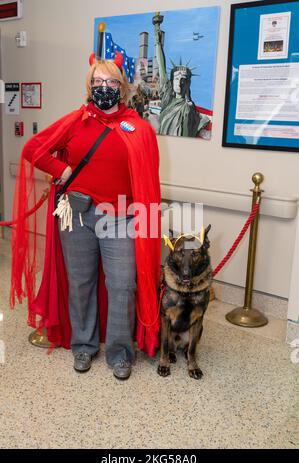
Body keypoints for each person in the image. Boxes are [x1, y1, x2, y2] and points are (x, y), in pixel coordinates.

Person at [10, 51, 161, 380]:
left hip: (121, 217)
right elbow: (33, 149)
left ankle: (120, 352)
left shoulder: (139, 129)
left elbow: (148, 180)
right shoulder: (76, 121)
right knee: (80, 283)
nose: (103, 86)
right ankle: (83, 346)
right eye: (97, 81)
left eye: (110, 81)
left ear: (122, 88)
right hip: (77, 215)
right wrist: (61, 169)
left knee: (122, 286)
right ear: (89, 86)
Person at [152, 12, 210, 137]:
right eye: (177, 78)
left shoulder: (189, 108)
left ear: (188, 83)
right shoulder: (167, 98)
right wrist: (157, 35)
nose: (179, 82)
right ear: (172, 81)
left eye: (183, 79)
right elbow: (161, 67)